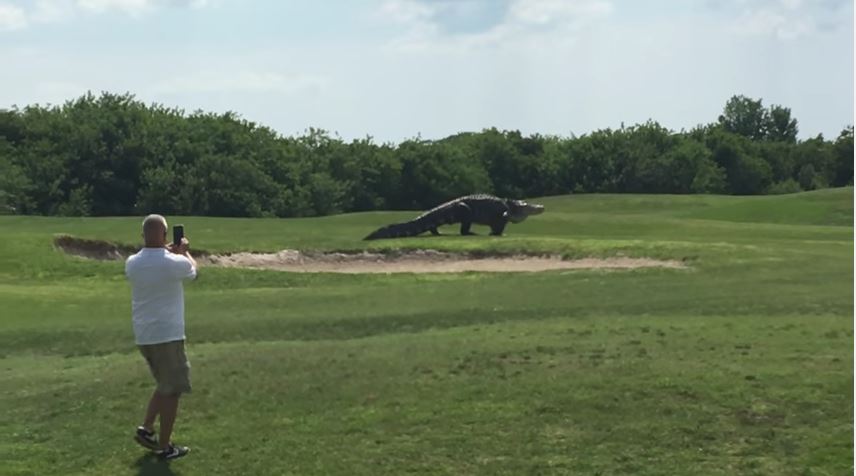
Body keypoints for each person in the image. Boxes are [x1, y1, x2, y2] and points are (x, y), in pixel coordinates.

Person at [125, 214, 198, 460]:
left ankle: (146, 430)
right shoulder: (174, 262)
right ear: (165, 235)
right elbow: (193, 271)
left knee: (164, 384)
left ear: (142, 235)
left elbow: (153, 258)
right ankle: (164, 446)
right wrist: (185, 251)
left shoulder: (132, 263)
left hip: (144, 335)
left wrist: (169, 251)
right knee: (173, 389)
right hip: (167, 335)